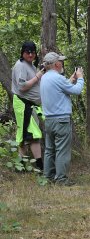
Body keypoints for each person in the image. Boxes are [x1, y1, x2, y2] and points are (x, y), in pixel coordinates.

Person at [40, 51, 84, 186]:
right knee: (62, 150)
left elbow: (61, 88)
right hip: (61, 120)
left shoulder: (44, 78)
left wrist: (70, 80)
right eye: (61, 61)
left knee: (49, 150)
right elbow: (76, 91)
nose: (62, 63)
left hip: (49, 120)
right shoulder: (58, 78)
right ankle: (61, 180)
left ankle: (48, 177)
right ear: (57, 64)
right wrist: (80, 77)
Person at [11, 41, 44, 171]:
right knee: (33, 135)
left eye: (32, 52)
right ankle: (40, 167)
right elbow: (22, 87)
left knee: (24, 135)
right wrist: (38, 76)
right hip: (23, 104)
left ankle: (20, 167)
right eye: (27, 52)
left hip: (29, 105)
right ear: (22, 53)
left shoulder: (30, 64)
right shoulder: (21, 66)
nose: (30, 54)